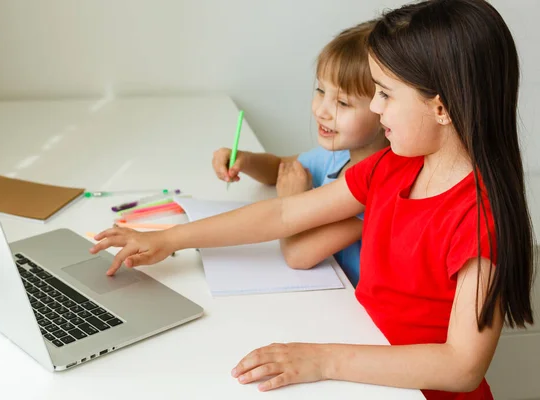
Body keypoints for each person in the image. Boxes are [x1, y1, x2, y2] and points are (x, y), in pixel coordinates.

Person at [90, 1, 535, 398]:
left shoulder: (478, 218)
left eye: (385, 93)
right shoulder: (393, 167)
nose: (375, 110)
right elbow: (284, 212)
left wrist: (322, 359)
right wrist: (172, 238)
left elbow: (461, 366)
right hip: (363, 366)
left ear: (441, 108)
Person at [211, 20, 387, 286]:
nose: (321, 110)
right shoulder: (341, 155)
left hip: (351, 313)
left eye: (341, 102)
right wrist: (245, 160)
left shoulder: (378, 190)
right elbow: (283, 168)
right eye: (320, 91)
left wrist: (292, 198)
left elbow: (298, 254)